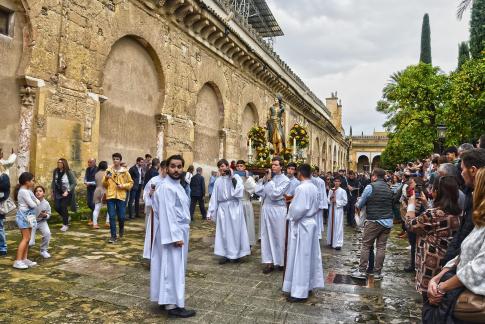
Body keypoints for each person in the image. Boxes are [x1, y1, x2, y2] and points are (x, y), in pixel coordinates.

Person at [422, 168, 485, 323]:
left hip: (469, 302)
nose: (470, 193)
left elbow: (478, 267)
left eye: (475, 188)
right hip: (453, 289)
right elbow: (463, 255)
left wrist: (442, 287)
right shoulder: (479, 223)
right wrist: (437, 278)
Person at [150, 155, 195, 318]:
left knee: (170, 265)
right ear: (167, 168)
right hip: (173, 233)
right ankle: (173, 304)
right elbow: (167, 213)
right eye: (173, 166)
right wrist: (175, 236)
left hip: (178, 229)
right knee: (173, 267)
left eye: (179, 167)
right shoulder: (167, 187)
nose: (176, 170)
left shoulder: (178, 186)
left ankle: (165, 299)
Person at [405, 175, 461, 298]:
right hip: (448, 262)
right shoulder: (459, 212)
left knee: (429, 299)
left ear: (437, 192)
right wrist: (426, 204)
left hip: (430, 264)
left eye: (433, 189)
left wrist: (411, 205)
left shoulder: (432, 214)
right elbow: (438, 222)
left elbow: (410, 225)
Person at [283, 164, 324, 303]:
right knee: (310, 256)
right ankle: (308, 284)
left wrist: (290, 215)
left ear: (300, 173)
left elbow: (298, 210)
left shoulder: (301, 188)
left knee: (301, 258)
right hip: (311, 223)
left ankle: (299, 291)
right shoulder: (314, 187)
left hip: (302, 225)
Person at [443, 148, 485, 264]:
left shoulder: (476, 199)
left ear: (472, 170)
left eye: (462, 169)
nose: (461, 173)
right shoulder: (470, 195)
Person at [351, 168, 394, 281]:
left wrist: (357, 203)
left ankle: (361, 271)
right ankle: (377, 273)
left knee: (366, 245)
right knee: (381, 247)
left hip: (374, 220)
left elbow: (360, 204)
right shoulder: (388, 188)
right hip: (387, 221)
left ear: (374, 176)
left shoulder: (371, 187)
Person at [208, 159, 250, 264]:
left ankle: (236, 254)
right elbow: (214, 197)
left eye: (223, 166)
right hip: (223, 208)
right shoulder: (218, 181)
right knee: (224, 232)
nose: (222, 168)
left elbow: (239, 191)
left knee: (235, 231)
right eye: (220, 167)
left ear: (227, 166)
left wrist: (232, 178)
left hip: (234, 207)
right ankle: (225, 254)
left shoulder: (235, 177)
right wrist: (210, 212)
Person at [255, 157, 290, 273]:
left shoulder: (286, 180)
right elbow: (258, 191)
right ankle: (269, 262)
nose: (273, 167)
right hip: (267, 208)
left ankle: (280, 262)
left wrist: (269, 182)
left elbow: (276, 194)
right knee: (266, 236)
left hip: (278, 210)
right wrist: (265, 180)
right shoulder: (268, 178)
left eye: (275, 165)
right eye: (272, 165)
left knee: (279, 236)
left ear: (281, 167)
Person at [103, 153, 134, 244]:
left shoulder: (125, 172)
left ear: (120, 160)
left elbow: (131, 183)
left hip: (121, 197)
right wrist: (106, 179)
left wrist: (123, 186)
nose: (115, 160)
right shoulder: (108, 171)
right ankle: (113, 236)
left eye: (117, 159)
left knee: (121, 217)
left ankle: (121, 228)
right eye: (114, 159)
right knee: (112, 216)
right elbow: (104, 185)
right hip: (111, 196)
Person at [13, 172, 39, 269]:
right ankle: (18, 260)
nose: (33, 182)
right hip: (23, 217)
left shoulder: (29, 191)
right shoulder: (23, 191)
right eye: (32, 180)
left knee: (28, 239)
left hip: (29, 217)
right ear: (26, 182)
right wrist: (35, 202)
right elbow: (33, 204)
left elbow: (36, 201)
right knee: (26, 238)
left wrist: (35, 201)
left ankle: (24, 258)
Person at [143, 160, 167, 259]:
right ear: (161, 168)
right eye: (165, 168)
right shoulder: (154, 180)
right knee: (152, 234)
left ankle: (163, 256)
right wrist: (150, 194)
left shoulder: (170, 182)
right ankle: (151, 256)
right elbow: (146, 194)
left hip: (166, 213)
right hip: (155, 212)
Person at [51, 158, 77, 232]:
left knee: (63, 207)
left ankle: (65, 224)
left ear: (64, 164)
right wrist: (52, 191)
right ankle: (67, 217)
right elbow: (54, 181)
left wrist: (67, 191)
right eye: (58, 162)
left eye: (60, 162)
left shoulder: (68, 172)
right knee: (56, 207)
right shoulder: (55, 171)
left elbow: (74, 183)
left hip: (67, 193)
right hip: (58, 192)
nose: (59, 164)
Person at [236, 160, 257, 246]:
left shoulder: (250, 178)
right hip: (237, 204)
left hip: (246, 202)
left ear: (244, 167)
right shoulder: (234, 177)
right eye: (238, 166)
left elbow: (252, 190)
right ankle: (238, 241)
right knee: (238, 224)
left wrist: (247, 179)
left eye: (241, 166)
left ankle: (248, 242)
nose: (240, 168)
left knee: (247, 223)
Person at [29, 186, 52, 259]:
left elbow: (49, 214)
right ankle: (24, 250)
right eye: (36, 191)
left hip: (42, 221)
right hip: (32, 222)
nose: (38, 192)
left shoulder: (46, 203)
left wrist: (45, 215)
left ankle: (43, 250)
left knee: (47, 233)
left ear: (44, 193)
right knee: (30, 242)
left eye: (40, 191)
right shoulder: (31, 201)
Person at [326, 178, 348, 250]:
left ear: (340, 182)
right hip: (332, 210)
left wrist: (337, 201)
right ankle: (330, 241)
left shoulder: (343, 191)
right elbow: (328, 200)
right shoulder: (331, 190)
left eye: (338, 181)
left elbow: (345, 202)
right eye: (335, 181)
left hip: (338, 210)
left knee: (338, 226)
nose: (336, 183)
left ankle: (338, 243)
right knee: (331, 225)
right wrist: (330, 199)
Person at [311, 168, 328, 239]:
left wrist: (323, 203)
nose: (314, 173)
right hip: (312, 202)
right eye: (313, 172)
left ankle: (318, 234)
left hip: (319, 202)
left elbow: (323, 192)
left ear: (318, 172)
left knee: (318, 218)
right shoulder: (310, 180)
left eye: (315, 172)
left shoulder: (321, 181)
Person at [92, 161, 108, 229]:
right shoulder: (107, 173)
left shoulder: (96, 173)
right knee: (110, 208)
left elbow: (96, 182)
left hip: (97, 191)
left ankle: (95, 224)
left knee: (96, 208)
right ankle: (107, 222)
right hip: (106, 191)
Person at [0, 165, 11, 256]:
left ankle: (2, 247)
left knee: (0, 228)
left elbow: (5, 192)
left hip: (0, 207)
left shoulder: (4, 177)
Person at [84, 158, 97, 224]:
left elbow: (97, 181)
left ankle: (92, 219)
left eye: (90, 162)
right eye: (88, 162)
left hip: (95, 189)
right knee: (89, 203)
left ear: (94, 162)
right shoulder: (87, 169)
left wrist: (89, 183)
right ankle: (94, 216)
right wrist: (85, 181)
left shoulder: (97, 170)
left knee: (93, 204)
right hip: (89, 189)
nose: (89, 163)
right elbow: (85, 177)